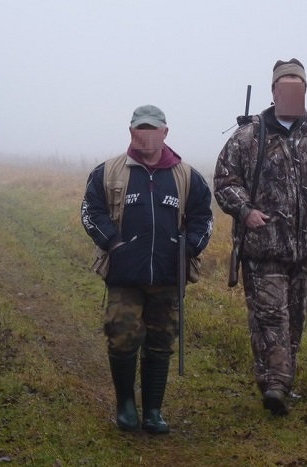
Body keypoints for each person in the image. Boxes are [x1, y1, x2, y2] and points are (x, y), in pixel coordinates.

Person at [213, 59, 307, 416]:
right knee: (270, 317)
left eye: (299, 87)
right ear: (275, 92)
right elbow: (224, 180)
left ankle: (275, 379)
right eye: (286, 87)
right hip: (263, 245)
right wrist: (246, 211)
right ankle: (277, 384)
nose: (293, 93)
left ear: (305, 92)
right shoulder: (249, 136)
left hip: (306, 246)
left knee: (294, 317)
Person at [81, 105, 213, 434]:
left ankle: (153, 410)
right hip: (125, 274)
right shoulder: (108, 172)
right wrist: (114, 245)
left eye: (153, 128)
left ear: (165, 133)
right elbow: (90, 211)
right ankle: (125, 405)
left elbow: (203, 217)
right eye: (140, 128)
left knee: (162, 339)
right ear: (131, 132)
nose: (146, 134)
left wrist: (191, 247)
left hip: (169, 276)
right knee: (121, 333)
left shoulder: (187, 176)